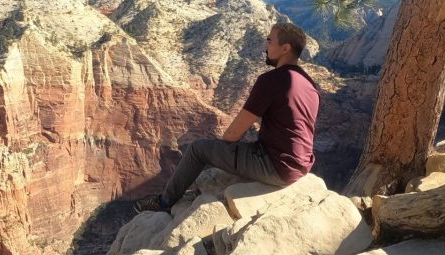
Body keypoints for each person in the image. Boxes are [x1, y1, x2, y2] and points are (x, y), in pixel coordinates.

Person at [135, 21, 320, 212]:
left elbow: (232, 135)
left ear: (285, 48)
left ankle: (164, 202)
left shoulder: (272, 80)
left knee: (198, 149)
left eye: (269, 41)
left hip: (276, 166)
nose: (265, 47)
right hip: (301, 165)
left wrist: (224, 148)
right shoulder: (310, 84)